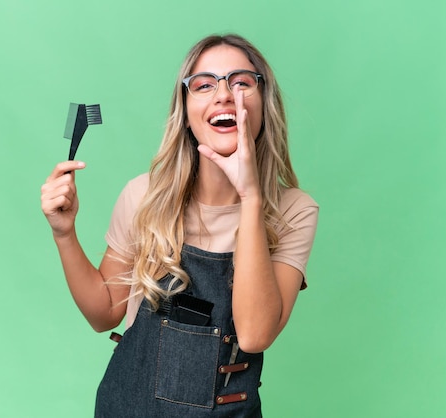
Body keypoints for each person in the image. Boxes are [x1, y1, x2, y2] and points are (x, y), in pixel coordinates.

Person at [41, 33, 319, 417]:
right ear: (186, 113)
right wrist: (64, 234)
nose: (223, 94)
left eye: (240, 82)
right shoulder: (144, 195)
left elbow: (255, 335)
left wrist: (251, 199)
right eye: (204, 85)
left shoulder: (294, 211)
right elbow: (104, 312)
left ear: (263, 103)